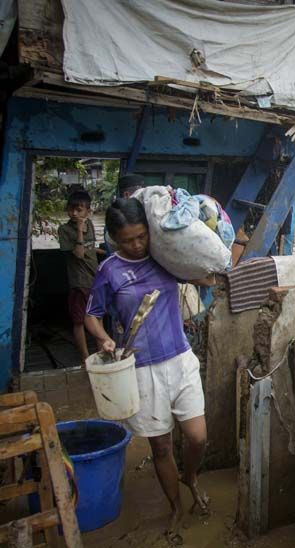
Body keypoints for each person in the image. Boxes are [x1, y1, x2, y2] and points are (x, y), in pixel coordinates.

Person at [84, 198, 212, 543]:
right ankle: (175, 506)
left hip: (180, 359)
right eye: (128, 240)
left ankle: (191, 477)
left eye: (142, 236)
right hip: (141, 370)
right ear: (114, 238)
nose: (137, 245)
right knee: (161, 448)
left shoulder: (164, 256)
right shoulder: (109, 271)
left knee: (198, 437)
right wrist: (103, 338)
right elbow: (91, 316)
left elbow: (205, 274)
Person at [57, 190, 105, 362]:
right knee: (79, 321)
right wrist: (78, 231)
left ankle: (102, 352)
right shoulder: (64, 230)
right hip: (79, 282)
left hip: (95, 279)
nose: (74, 213)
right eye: (71, 209)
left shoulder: (90, 224)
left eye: (79, 210)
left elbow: (89, 248)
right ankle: (85, 358)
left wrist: (107, 252)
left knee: (98, 317)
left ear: (88, 211)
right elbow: (78, 253)